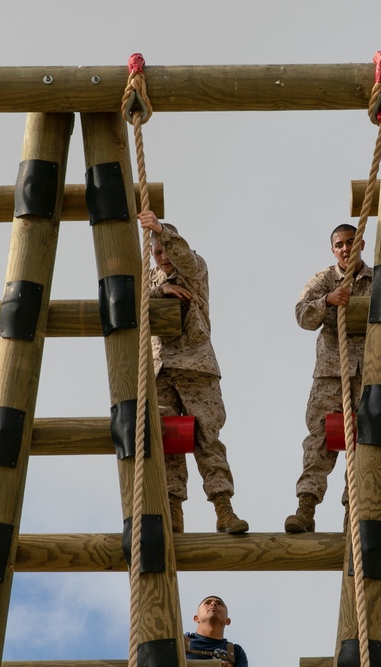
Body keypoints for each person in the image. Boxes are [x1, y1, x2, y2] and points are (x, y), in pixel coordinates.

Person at [139, 210, 248, 534]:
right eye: (157, 252)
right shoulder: (151, 279)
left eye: (166, 249)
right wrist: (161, 292)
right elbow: (131, 299)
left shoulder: (194, 269)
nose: (163, 258)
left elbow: (185, 260)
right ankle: (173, 512)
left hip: (195, 365)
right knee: (166, 440)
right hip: (161, 370)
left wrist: (160, 230)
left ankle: (223, 508)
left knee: (206, 437)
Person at [285, 223, 372, 533]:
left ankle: (354, 514)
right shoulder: (324, 279)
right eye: (340, 245)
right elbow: (301, 315)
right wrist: (328, 300)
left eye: (351, 242)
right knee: (319, 439)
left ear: (361, 243)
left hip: (368, 373)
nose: (346, 249)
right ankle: (305, 508)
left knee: (366, 443)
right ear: (333, 250)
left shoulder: (377, 278)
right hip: (331, 372)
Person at [184, 595, 249, 666]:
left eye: (219, 604)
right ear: (196, 618)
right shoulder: (182, 641)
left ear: (227, 621)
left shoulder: (235, 651)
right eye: (207, 603)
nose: (213, 604)